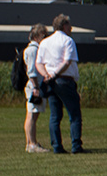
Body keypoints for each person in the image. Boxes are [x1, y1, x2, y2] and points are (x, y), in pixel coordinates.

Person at [35, 14, 83, 154]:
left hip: (49, 80)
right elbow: (67, 61)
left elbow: (39, 63)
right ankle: (76, 145)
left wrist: (46, 75)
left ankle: (57, 146)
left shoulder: (45, 42)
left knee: (55, 115)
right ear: (64, 26)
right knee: (74, 114)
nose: (71, 28)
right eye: (69, 25)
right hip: (64, 80)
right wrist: (55, 74)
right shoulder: (68, 41)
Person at [21, 23, 51, 152]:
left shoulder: (32, 49)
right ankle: (32, 143)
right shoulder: (33, 50)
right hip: (35, 86)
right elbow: (32, 72)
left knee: (33, 114)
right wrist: (36, 87)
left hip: (35, 85)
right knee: (32, 115)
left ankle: (30, 143)